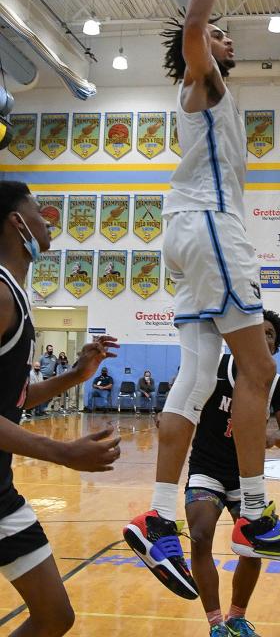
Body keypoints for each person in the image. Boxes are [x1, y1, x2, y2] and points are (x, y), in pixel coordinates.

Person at [123, 0, 280, 600]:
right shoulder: (201, 81)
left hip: (189, 236)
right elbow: (190, 32)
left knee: (198, 377)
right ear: (197, 50)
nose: (223, 35)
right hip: (210, 231)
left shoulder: (210, 93)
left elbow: (195, 37)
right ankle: (256, 513)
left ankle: (156, 515)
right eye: (217, 31)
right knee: (257, 368)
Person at [0, 180, 121, 637]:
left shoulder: (18, 295)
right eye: (37, 209)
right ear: (16, 221)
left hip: (0, 491)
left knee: (55, 616)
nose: (48, 219)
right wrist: (62, 453)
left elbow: (15, 399)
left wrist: (75, 375)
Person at [185, 310, 280, 636]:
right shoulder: (214, 371)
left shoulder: (276, 383)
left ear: (275, 347)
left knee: (254, 546)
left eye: (270, 335)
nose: (263, 338)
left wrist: (276, 436)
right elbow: (184, 407)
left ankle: (237, 617)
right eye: (257, 331)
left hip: (246, 476)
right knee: (200, 535)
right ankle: (216, 624)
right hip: (207, 468)